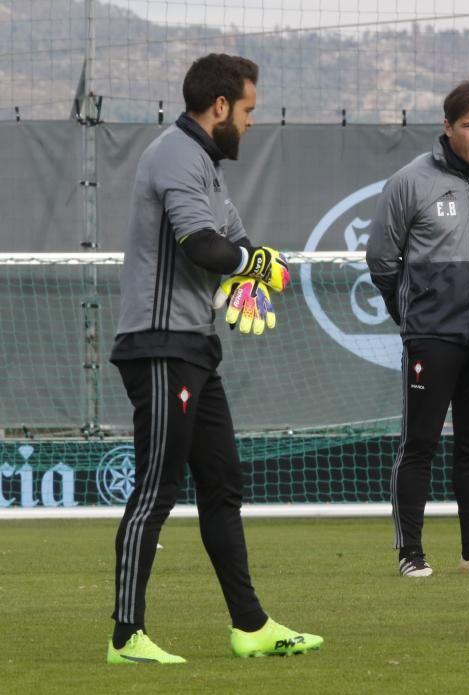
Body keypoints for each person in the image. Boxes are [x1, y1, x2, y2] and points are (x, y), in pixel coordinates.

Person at [106, 53, 322, 664]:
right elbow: (202, 244)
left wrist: (251, 270)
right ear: (220, 106)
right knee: (156, 487)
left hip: (194, 347)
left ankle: (250, 626)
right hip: (158, 344)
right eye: (249, 109)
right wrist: (253, 266)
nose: (253, 122)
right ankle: (126, 637)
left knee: (223, 485)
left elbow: (233, 240)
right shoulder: (173, 155)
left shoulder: (205, 165)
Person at [366, 76, 469, 578]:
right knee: (421, 444)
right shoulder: (410, 181)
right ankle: (410, 554)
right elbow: (381, 259)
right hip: (432, 337)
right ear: (447, 127)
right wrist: (412, 315)